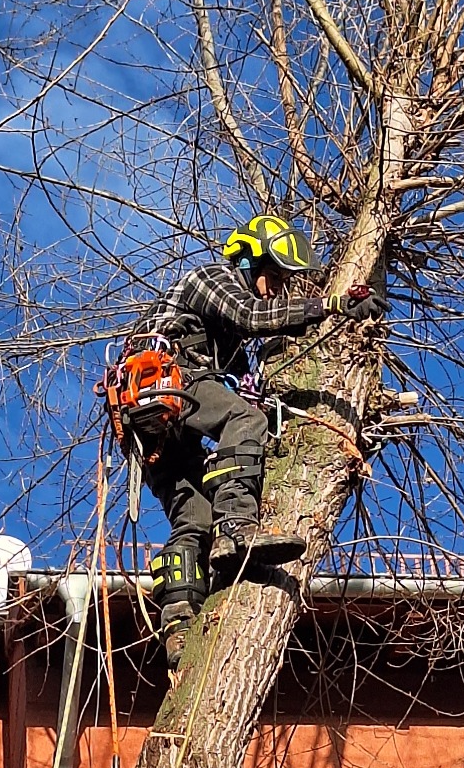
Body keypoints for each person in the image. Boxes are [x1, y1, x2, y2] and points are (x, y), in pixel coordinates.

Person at [142, 214, 377, 657]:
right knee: (244, 420)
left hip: (154, 420)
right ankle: (236, 528)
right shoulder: (210, 278)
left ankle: (177, 624)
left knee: (192, 518)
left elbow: (249, 383)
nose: (279, 286)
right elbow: (252, 317)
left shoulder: (221, 338)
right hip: (168, 383)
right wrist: (333, 306)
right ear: (250, 260)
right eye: (274, 275)